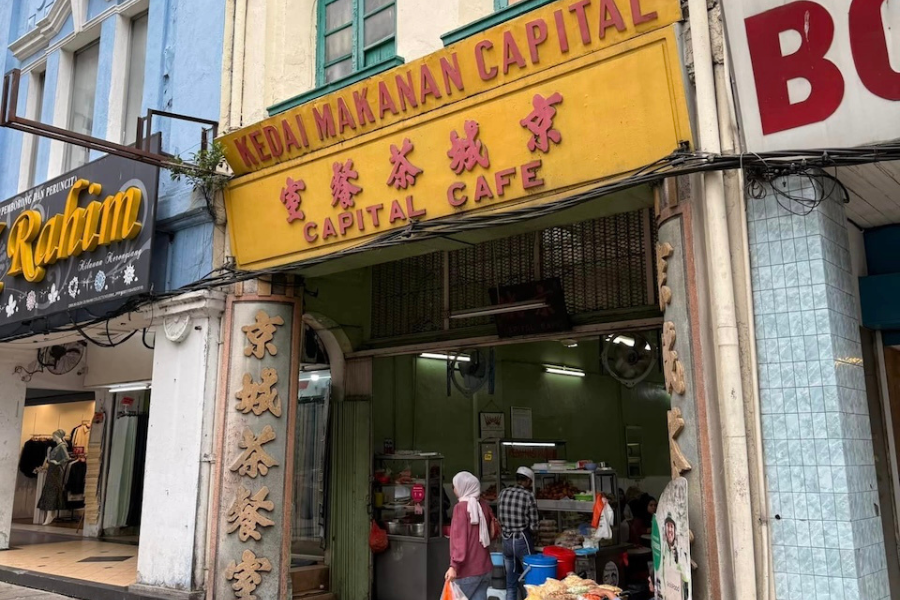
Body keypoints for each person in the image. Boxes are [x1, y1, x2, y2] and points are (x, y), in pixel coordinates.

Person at [445, 472, 494, 600]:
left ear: (463, 487)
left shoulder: (460, 508)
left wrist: (453, 566)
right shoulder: (484, 506)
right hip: (485, 568)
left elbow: (459, 540)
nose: (454, 489)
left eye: (455, 486)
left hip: (467, 570)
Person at [497, 466, 538, 600]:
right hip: (521, 540)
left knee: (511, 580)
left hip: (506, 540)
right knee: (530, 578)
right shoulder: (528, 496)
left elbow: (500, 517)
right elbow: (534, 525)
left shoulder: (503, 493)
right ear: (527, 481)